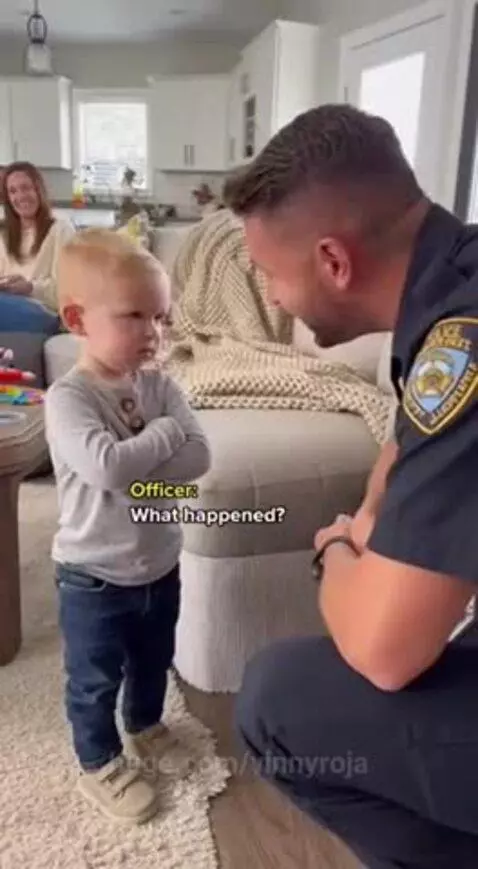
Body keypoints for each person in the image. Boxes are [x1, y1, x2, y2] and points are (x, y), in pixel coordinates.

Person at [223, 104, 478, 869]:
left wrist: (335, 546)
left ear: (333, 260)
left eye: (270, 273)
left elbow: (382, 648)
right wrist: (372, 511)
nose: (271, 299)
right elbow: (407, 441)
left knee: (276, 702)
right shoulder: (452, 291)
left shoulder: (465, 346)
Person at [44, 229, 211, 825]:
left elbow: (200, 459)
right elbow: (105, 469)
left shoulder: (163, 384)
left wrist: (148, 462)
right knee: (93, 679)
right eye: (134, 315)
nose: (154, 333)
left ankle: (145, 725)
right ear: (78, 319)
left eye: (162, 317)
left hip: (160, 563)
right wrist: (161, 436)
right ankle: (99, 763)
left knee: (152, 658)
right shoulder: (69, 400)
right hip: (92, 575)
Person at [0, 161, 75, 334]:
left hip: (44, 312)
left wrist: (29, 287)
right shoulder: (3, 233)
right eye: (13, 191)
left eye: (26, 188)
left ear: (38, 189)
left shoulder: (60, 230)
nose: (21, 196)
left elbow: (67, 291)